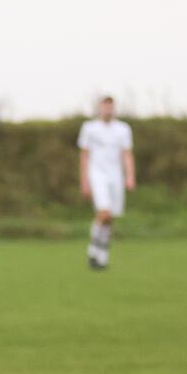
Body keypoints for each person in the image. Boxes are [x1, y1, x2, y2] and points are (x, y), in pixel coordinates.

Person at [76, 95, 134, 270]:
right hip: (97, 174)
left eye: (110, 107)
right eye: (104, 107)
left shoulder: (123, 129)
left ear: (114, 108)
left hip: (116, 175)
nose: (107, 110)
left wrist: (130, 175)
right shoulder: (89, 128)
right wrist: (84, 180)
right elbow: (84, 155)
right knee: (104, 213)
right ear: (100, 108)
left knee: (110, 219)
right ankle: (92, 250)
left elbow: (127, 154)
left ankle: (101, 258)